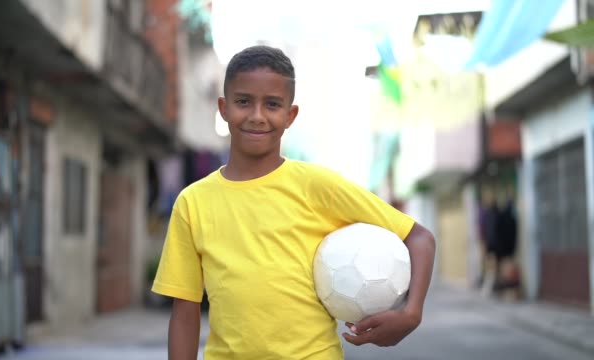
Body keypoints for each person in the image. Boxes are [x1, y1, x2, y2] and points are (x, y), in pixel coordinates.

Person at [152, 45, 436, 359]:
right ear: (224, 108)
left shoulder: (318, 186)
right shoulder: (193, 202)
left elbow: (420, 238)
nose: (257, 116)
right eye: (243, 101)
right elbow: (185, 310)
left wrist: (410, 314)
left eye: (272, 104)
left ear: (290, 115)